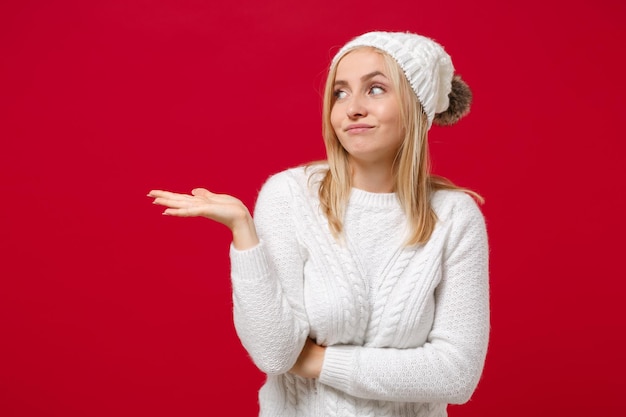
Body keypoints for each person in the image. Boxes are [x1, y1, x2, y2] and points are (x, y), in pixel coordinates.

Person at [148, 31, 489, 417]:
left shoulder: (455, 216)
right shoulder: (290, 196)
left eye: (375, 89)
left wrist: (315, 362)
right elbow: (276, 354)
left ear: (419, 106)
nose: (352, 108)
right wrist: (244, 234)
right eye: (340, 93)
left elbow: (456, 375)